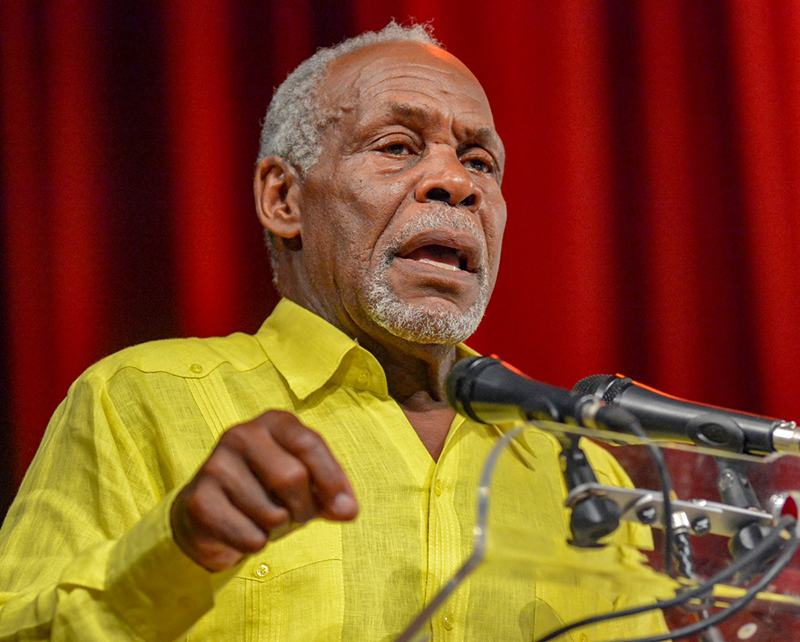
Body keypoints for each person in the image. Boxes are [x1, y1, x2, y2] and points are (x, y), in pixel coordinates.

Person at [0, 22, 667, 641]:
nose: (455, 183)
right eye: (398, 147)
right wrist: (176, 552)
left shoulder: (576, 469)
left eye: (480, 162)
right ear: (284, 200)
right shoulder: (139, 400)